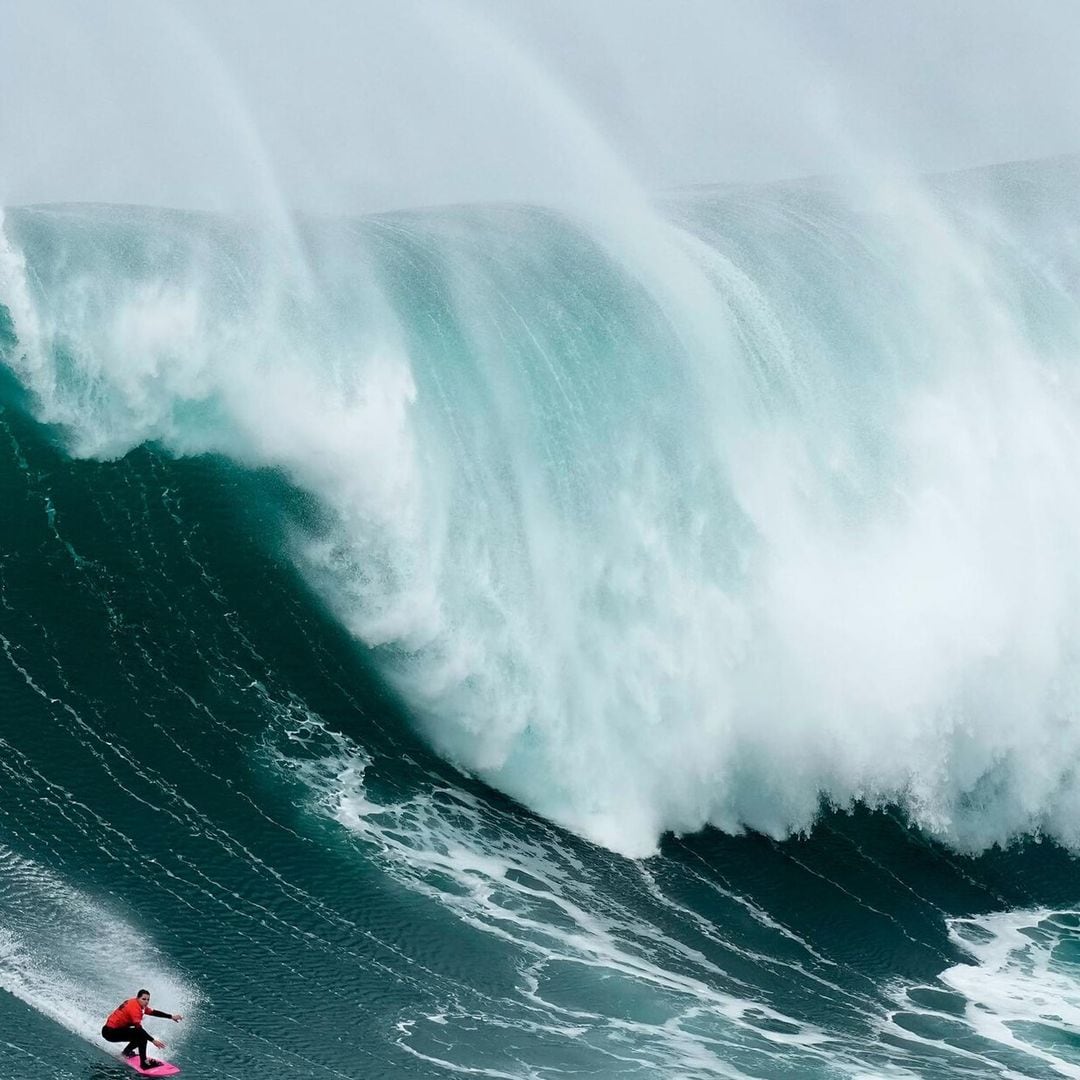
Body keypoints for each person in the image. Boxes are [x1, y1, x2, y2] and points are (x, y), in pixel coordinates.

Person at [101, 988, 183, 1071]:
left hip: (114, 1030)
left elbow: (153, 1012)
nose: (146, 1001)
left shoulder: (138, 1004)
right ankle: (144, 1064)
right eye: (144, 999)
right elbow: (139, 1029)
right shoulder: (134, 1008)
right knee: (142, 1038)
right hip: (110, 1033)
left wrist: (171, 1017)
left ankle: (126, 1053)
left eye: (148, 999)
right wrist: (153, 1040)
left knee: (138, 1035)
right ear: (138, 998)